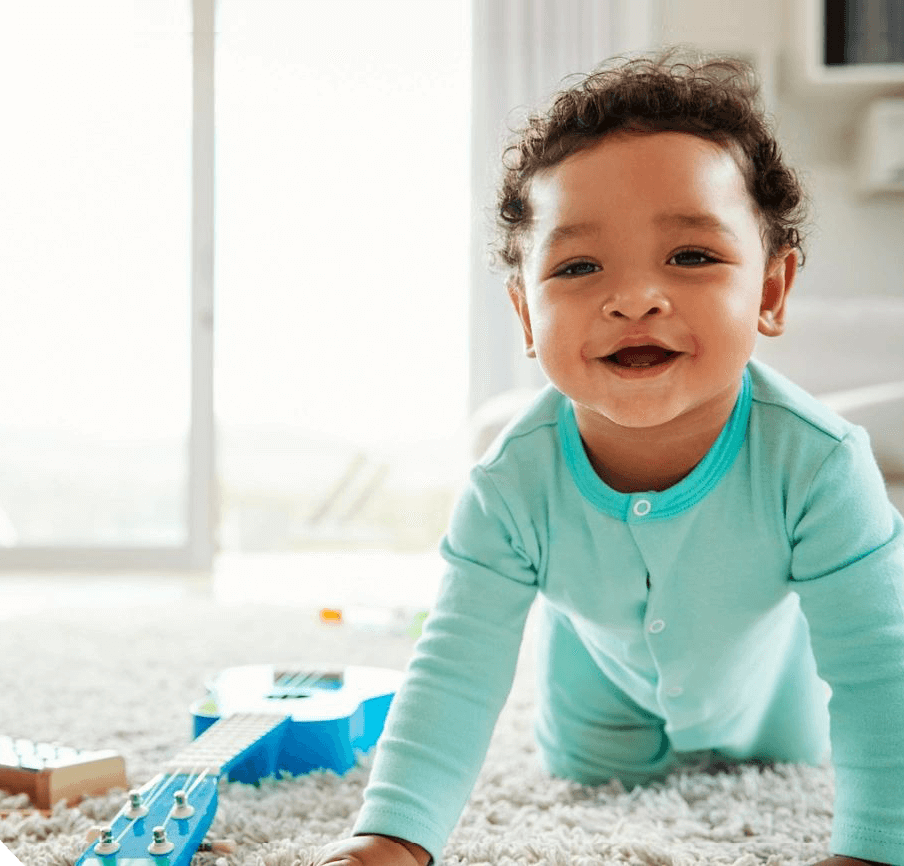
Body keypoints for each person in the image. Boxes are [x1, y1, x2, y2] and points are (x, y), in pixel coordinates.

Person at [313, 47, 903, 866]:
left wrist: (878, 846)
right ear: (525, 314)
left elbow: (880, 667)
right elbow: (456, 665)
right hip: (593, 730)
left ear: (770, 292)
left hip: (777, 716)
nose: (632, 297)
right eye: (579, 266)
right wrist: (394, 835)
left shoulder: (821, 465)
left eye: (691, 256)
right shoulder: (509, 485)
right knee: (597, 773)